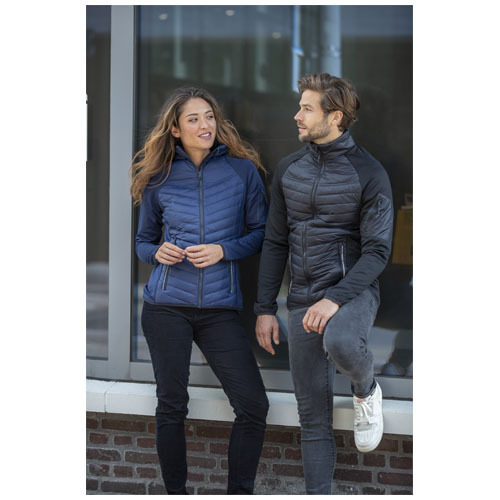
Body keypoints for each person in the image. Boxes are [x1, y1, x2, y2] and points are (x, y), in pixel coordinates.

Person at [254, 73, 393, 494]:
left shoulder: (369, 173)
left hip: (352, 292)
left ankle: (366, 390)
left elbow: (377, 253)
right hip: (301, 298)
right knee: (312, 418)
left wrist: (334, 299)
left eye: (307, 108)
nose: (297, 116)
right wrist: (265, 308)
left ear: (335, 117)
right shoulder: (288, 169)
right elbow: (275, 242)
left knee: (342, 342)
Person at [130, 87, 269, 495]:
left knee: (253, 405)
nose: (205, 125)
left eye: (209, 116)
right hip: (165, 307)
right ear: (175, 129)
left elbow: (261, 233)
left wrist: (224, 250)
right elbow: (142, 243)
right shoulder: (158, 177)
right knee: (172, 405)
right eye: (193, 119)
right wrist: (158, 252)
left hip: (219, 309)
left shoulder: (242, 172)